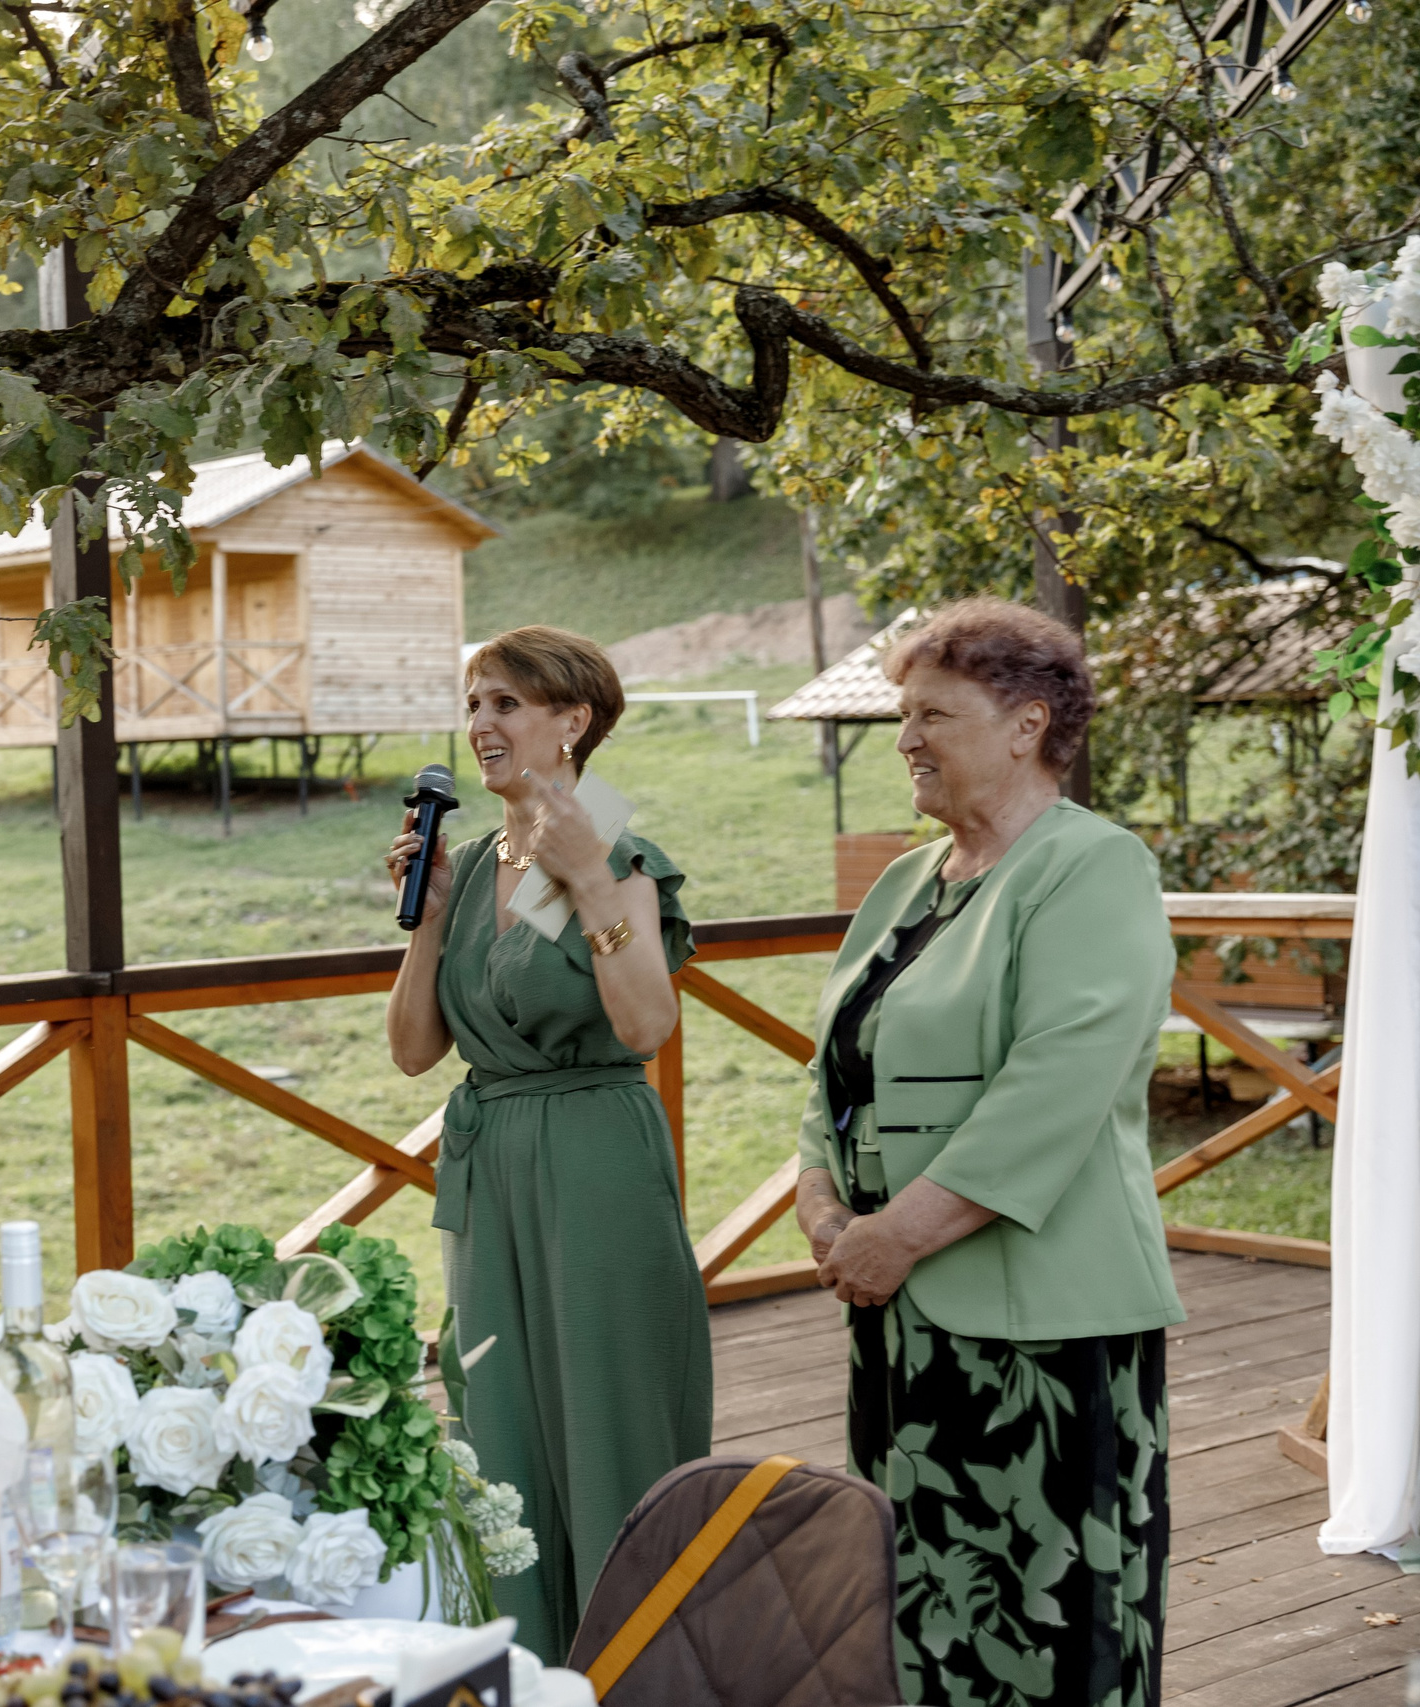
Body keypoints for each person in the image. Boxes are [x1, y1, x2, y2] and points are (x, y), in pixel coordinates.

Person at [793, 598, 1182, 1707]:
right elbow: (831, 1072)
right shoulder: (906, 883)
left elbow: (1052, 1093)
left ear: (1026, 724)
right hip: (894, 1313)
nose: (905, 738)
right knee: (915, 1595)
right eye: (899, 716)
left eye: (932, 715)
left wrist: (895, 1236)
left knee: (1054, 1615)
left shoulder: (1092, 869)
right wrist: (828, 1217)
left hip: (1042, 1332)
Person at [383, 625, 710, 1662]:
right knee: (501, 1427)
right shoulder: (478, 860)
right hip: (490, 1162)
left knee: (609, 1420)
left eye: (506, 705)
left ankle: (633, 1663)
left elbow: (645, 1026)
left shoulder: (610, 846)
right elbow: (410, 1052)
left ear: (573, 721)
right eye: (473, 704)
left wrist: (594, 886)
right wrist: (430, 918)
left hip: (591, 1156)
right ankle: (521, 1666)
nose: (480, 725)